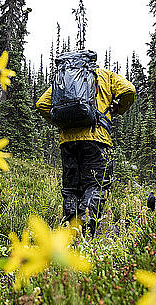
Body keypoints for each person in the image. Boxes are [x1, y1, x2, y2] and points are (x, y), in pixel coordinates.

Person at [36, 53, 136, 236]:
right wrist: (118, 108)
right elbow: (129, 90)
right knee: (96, 185)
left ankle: (70, 229)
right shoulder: (105, 75)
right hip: (97, 140)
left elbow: (42, 104)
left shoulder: (62, 82)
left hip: (67, 142)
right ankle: (85, 227)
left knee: (71, 188)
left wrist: (63, 122)